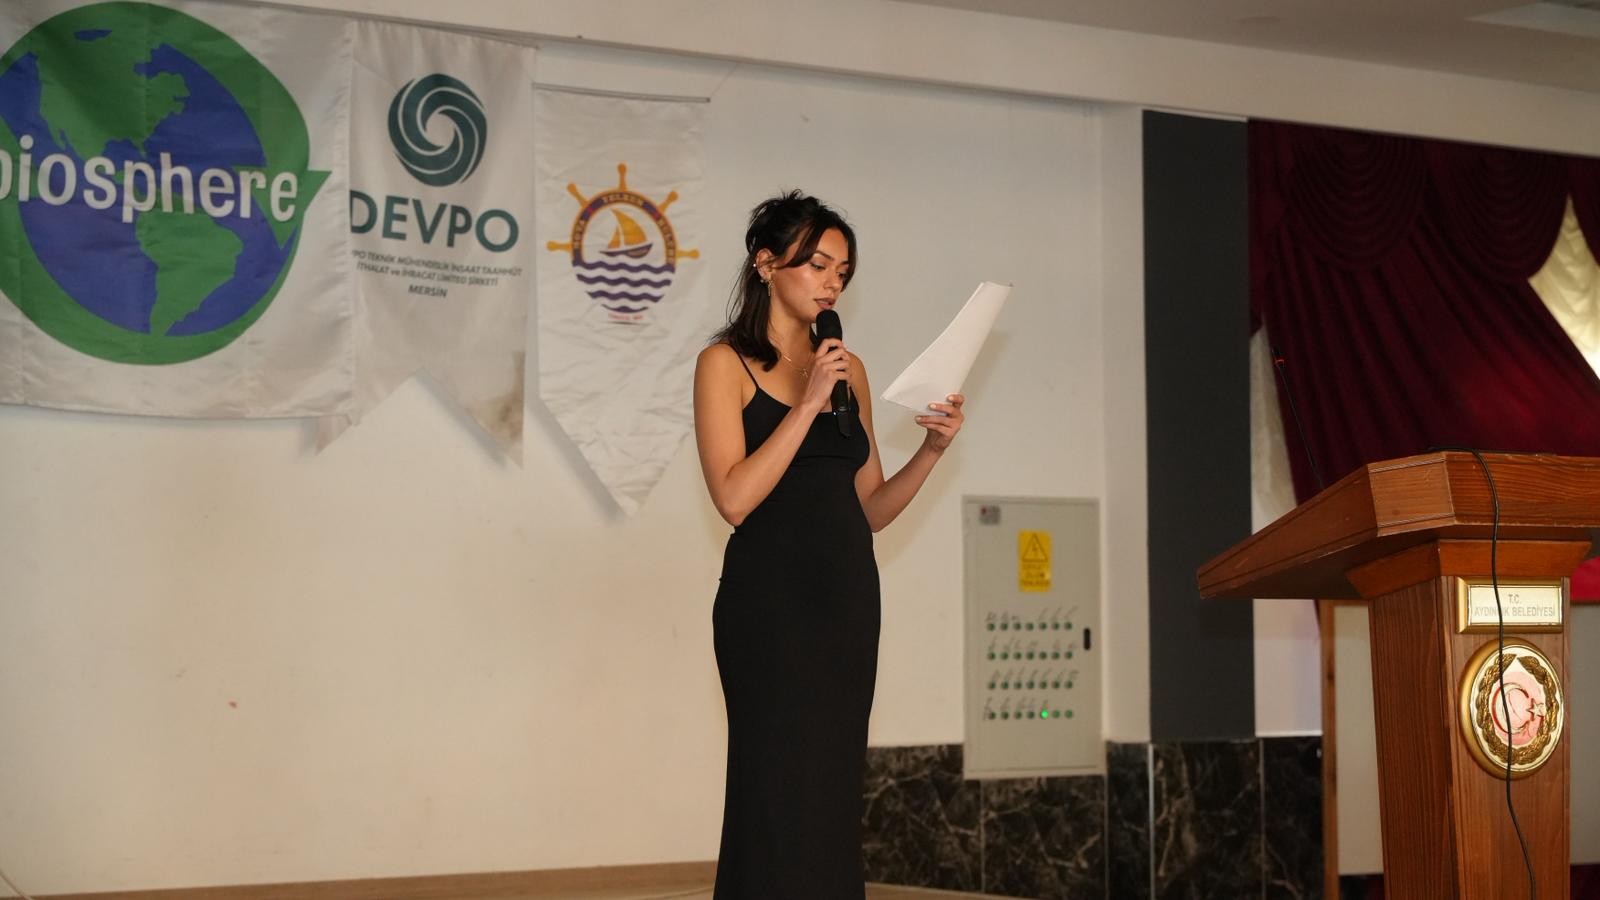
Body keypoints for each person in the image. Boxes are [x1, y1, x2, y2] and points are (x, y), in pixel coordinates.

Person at [692, 191, 965, 899]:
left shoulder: (849, 370)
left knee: (831, 792)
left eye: (842, 272)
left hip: (845, 604)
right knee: (774, 789)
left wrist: (932, 452)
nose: (832, 283)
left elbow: (870, 508)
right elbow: (733, 497)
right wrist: (808, 402)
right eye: (817, 265)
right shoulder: (724, 364)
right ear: (766, 263)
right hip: (767, 609)